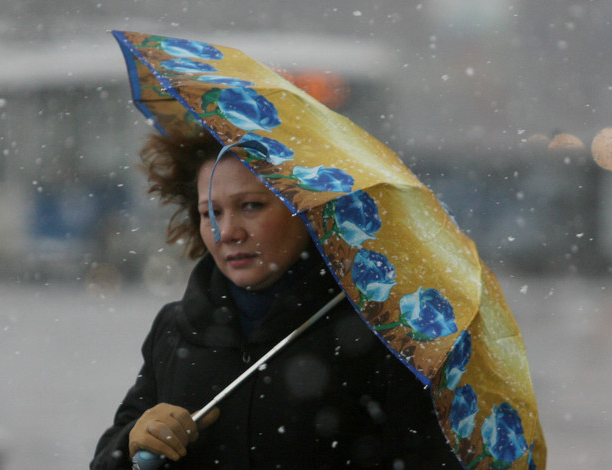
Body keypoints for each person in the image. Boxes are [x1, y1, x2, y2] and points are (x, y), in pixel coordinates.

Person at [90, 131, 460, 469]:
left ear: (305, 209)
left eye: (251, 206)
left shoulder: (382, 333)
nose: (228, 232)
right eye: (210, 213)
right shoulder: (175, 330)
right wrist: (134, 443)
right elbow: (108, 460)